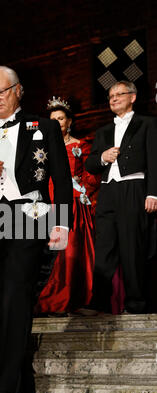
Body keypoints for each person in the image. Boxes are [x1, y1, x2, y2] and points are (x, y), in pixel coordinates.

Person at [0, 65, 73, 393]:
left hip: (31, 214)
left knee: (17, 297)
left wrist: (62, 224)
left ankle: (5, 389)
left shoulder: (45, 127)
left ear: (18, 91)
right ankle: (19, 378)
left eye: (1, 92)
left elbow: (62, 179)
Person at [85, 80, 157, 314]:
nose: (113, 99)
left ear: (133, 97)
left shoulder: (147, 124)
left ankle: (136, 303)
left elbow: (154, 160)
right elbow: (91, 164)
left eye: (119, 94)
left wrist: (153, 192)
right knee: (104, 247)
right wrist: (103, 157)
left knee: (132, 247)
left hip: (134, 188)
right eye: (110, 96)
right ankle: (100, 303)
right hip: (108, 191)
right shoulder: (103, 131)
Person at [35, 97, 100, 316]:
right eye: (53, 120)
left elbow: (91, 176)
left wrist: (84, 192)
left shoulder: (80, 146)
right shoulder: (41, 149)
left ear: (69, 121)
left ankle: (69, 297)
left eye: (61, 119)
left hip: (71, 202)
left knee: (70, 250)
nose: (57, 123)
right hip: (47, 202)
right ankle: (47, 297)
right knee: (46, 251)